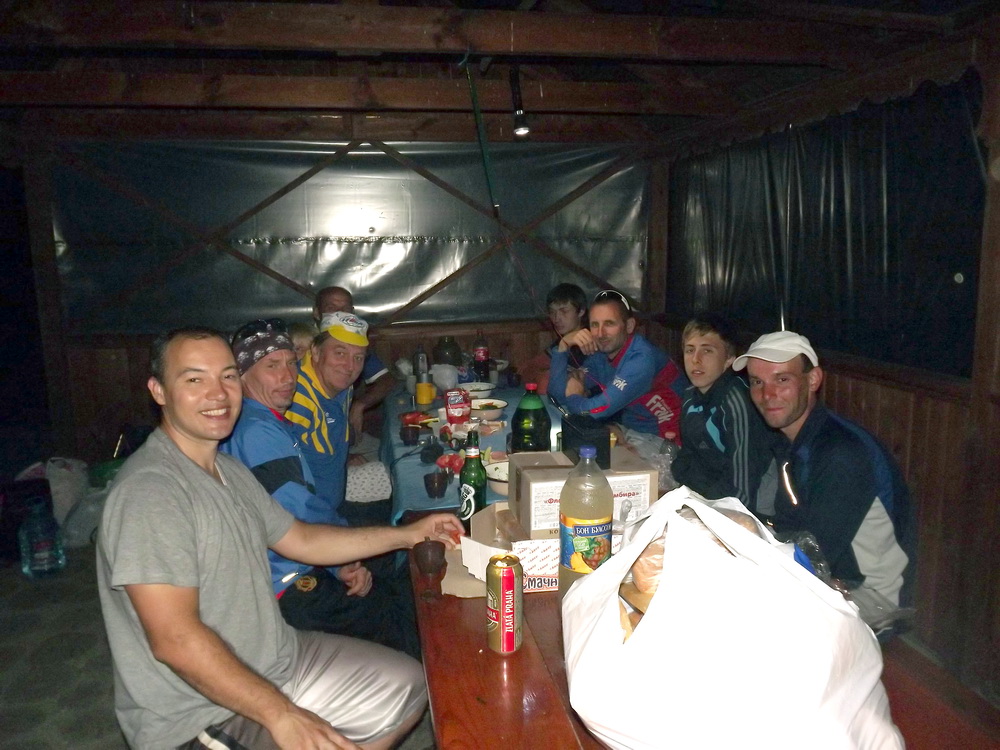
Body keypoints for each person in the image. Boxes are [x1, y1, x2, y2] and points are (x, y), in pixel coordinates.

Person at [96, 325, 463, 749]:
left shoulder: (227, 470)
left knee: (407, 686)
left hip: (274, 657)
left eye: (227, 376)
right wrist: (281, 713)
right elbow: (175, 640)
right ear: (159, 391)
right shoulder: (151, 492)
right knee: (307, 731)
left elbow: (302, 539)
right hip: (198, 711)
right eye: (195, 379)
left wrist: (408, 534)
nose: (218, 393)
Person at [220, 319, 419, 658]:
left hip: (298, 556)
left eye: (291, 364)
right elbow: (300, 514)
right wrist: (341, 561)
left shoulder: (264, 419)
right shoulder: (256, 433)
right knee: (399, 612)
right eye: (272, 366)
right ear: (241, 374)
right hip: (284, 583)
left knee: (399, 576)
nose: (288, 376)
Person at [734, 330, 915, 605]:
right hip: (826, 580)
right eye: (757, 382)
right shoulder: (790, 442)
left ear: (813, 380)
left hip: (869, 602)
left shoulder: (841, 453)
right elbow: (788, 526)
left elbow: (816, 555)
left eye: (782, 379)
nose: (767, 394)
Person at [548, 289, 690, 457]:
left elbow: (597, 410)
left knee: (595, 461)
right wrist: (562, 347)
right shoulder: (601, 355)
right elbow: (557, 396)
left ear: (629, 326)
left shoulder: (641, 358)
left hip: (666, 441)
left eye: (609, 324)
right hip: (630, 430)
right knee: (573, 450)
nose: (600, 334)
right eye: (595, 325)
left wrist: (574, 396)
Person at [670, 313, 774, 511]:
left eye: (707, 351)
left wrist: (708, 511)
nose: (696, 360)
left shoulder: (736, 400)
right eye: (689, 350)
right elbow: (687, 459)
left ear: (728, 360)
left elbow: (743, 487)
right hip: (711, 496)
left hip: (754, 505)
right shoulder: (690, 396)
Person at [313, 286, 394, 445]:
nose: (340, 313)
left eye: (345, 309)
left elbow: (387, 380)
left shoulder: (354, 343)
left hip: (342, 439)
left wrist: (360, 405)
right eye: (331, 308)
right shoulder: (301, 345)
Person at [520, 282, 588, 394]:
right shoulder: (561, 341)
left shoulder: (593, 342)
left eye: (564, 311)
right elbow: (527, 369)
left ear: (581, 311)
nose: (556, 318)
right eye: (552, 312)